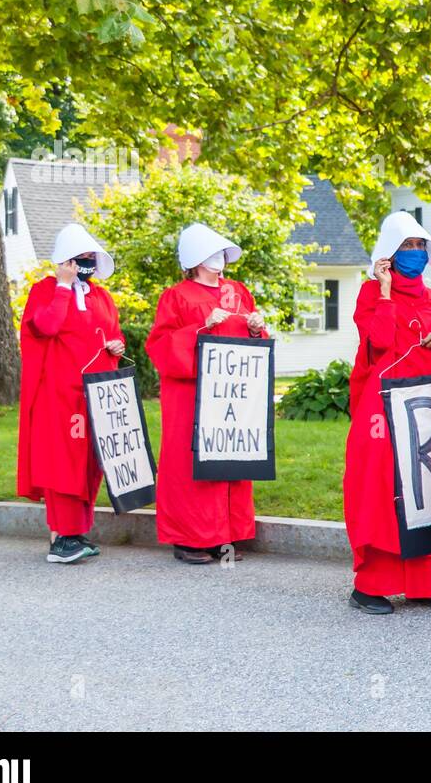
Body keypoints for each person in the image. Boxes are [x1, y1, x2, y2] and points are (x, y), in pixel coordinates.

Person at [343, 211, 431, 614]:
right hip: (385, 405)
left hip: (428, 405)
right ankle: (370, 585)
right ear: (389, 255)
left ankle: (423, 584)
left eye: (419, 246)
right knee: (383, 488)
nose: (415, 253)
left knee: (425, 487)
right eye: (406, 247)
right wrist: (387, 291)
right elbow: (378, 341)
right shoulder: (370, 294)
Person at [146, 223, 268, 565]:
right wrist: (201, 328)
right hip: (191, 394)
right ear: (195, 259)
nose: (220, 260)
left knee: (228, 457)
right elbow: (160, 345)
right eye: (212, 254)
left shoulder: (238, 291)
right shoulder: (177, 296)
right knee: (191, 461)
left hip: (231, 394)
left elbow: (251, 341)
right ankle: (188, 538)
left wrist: (256, 329)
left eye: (221, 253)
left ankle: (222, 537)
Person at [17, 223, 125, 563]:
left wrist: (117, 345)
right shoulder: (45, 290)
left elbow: (112, 333)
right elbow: (45, 327)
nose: (88, 263)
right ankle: (60, 537)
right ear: (66, 261)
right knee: (61, 461)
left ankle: (76, 532)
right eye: (82, 258)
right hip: (59, 391)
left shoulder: (101, 295)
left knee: (90, 462)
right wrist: (63, 287)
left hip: (96, 390)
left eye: (92, 257)